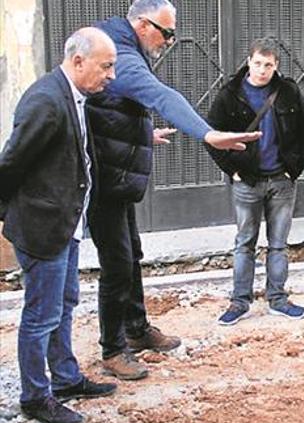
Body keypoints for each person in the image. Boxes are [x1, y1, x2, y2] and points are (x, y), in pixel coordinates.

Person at [87, 0, 261, 379]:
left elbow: (107, 108)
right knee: (117, 264)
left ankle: (135, 331)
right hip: (103, 180)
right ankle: (113, 350)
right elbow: (160, 95)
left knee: (130, 253)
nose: (170, 40)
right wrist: (208, 134)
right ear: (142, 24)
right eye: (166, 32)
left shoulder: (121, 44)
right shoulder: (118, 56)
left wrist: (140, 133)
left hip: (116, 176)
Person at [0, 28, 119, 423]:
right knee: (41, 315)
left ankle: (65, 379)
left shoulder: (72, 95)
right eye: (106, 66)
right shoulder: (47, 101)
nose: (111, 75)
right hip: (43, 227)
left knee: (63, 304)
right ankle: (35, 397)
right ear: (79, 60)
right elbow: (10, 163)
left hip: (66, 224)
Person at [205, 37, 304, 325]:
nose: (262, 70)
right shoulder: (230, 93)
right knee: (244, 243)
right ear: (249, 62)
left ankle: (277, 299)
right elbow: (211, 136)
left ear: (276, 65)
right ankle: (240, 302)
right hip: (247, 183)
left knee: (278, 244)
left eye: (268, 64)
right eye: (258, 63)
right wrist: (233, 171)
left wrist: (294, 170)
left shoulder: (288, 91)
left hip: (281, 181)